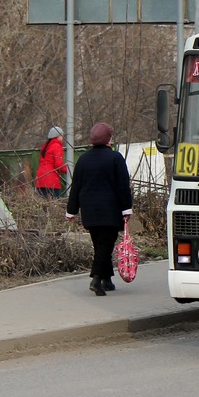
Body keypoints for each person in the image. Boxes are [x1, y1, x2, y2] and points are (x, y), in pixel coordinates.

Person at [65, 123, 133, 296]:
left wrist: (71, 211)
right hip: (110, 211)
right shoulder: (115, 158)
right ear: (108, 139)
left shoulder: (83, 159)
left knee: (100, 245)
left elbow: (76, 187)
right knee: (105, 245)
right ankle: (96, 279)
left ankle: (107, 279)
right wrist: (126, 209)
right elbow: (123, 186)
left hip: (89, 211)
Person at [35, 126, 67, 200]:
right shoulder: (57, 146)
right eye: (62, 136)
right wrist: (69, 171)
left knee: (43, 205)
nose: (62, 138)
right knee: (55, 204)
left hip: (40, 179)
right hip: (51, 181)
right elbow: (58, 165)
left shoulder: (45, 147)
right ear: (58, 136)